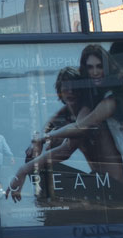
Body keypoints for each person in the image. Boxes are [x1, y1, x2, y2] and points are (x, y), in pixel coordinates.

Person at [37, 45, 123, 203]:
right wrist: (46, 129)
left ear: (107, 67)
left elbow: (81, 127)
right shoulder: (104, 96)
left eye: (99, 66)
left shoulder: (111, 100)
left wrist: (45, 136)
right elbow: (65, 111)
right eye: (90, 67)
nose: (94, 72)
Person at [5, 66, 90, 201]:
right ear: (60, 90)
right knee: (33, 153)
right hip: (92, 177)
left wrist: (22, 170)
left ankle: (46, 197)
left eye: (75, 87)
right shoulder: (68, 110)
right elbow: (50, 123)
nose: (71, 91)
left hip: (108, 184)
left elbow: (66, 149)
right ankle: (44, 197)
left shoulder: (86, 111)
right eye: (66, 87)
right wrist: (37, 141)